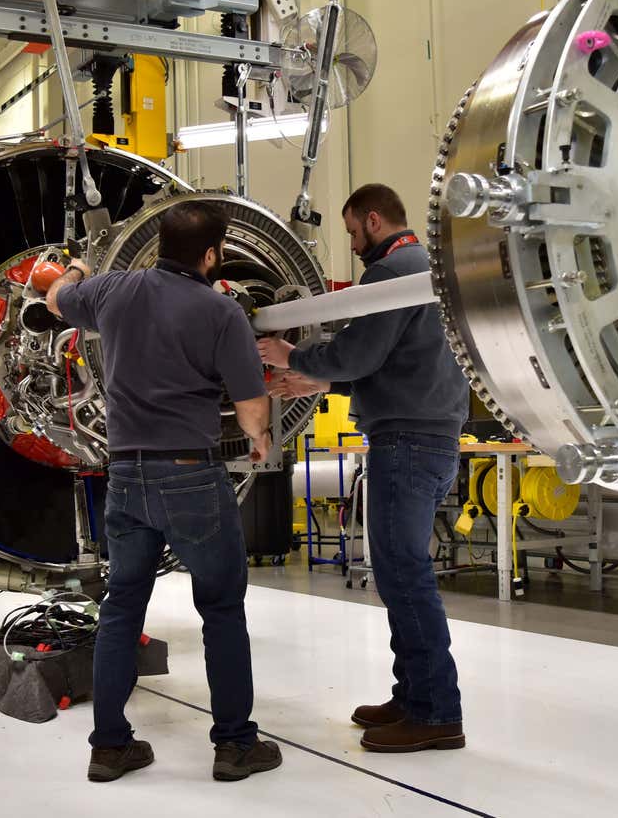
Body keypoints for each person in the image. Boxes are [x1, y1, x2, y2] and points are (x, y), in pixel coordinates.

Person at [42, 201, 283, 784]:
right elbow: (252, 408)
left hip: (125, 476)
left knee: (121, 609)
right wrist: (262, 440)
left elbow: (53, 299)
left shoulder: (112, 291)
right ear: (211, 255)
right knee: (221, 608)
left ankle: (109, 746)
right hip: (192, 478)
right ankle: (234, 745)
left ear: (156, 248)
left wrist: (75, 267)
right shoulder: (221, 312)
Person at [257, 183, 470, 754]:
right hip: (432, 435)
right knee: (403, 576)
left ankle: (434, 714)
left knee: (404, 576)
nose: (352, 244)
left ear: (374, 220)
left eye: (353, 232)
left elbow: (359, 353)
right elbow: (392, 362)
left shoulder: (390, 275)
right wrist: (324, 380)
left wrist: (292, 356)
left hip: (405, 441)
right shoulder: (430, 268)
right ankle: (413, 695)